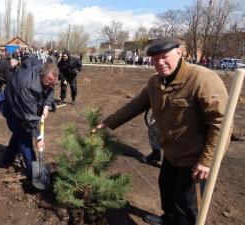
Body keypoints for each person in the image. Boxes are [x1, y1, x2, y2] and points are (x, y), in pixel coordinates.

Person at [92, 37, 228, 225]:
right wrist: (107, 123)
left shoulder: (201, 79)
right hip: (171, 153)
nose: (159, 63)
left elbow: (221, 123)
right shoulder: (155, 82)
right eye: (155, 59)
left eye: (164, 57)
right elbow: (135, 105)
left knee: (187, 205)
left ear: (180, 53)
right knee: (167, 189)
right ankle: (168, 219)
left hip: (194, 158)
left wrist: (206, 160)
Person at [0, 57, 58, 179]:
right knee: (24, 135)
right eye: (48, 82)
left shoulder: (47, 71)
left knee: (18, 132)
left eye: (53, 82)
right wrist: (39, 138)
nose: (50, 85)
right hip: (10, 103)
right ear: (41, 75)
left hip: (22, 99)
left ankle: (7, 159)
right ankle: (34, 173)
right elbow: (30, 119)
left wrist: (46, 105)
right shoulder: (29, 87)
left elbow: (51, 88)